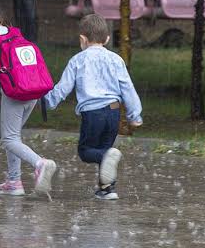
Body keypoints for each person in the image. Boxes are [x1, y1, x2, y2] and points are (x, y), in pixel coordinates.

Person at [42, 13, 143, 200]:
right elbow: (128, 88)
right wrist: (134, 115)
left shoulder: (78, 60)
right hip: (113, 111)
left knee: (87, 151)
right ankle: (107, 190)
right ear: (107, 39)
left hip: (92, 113)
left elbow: (63, 88)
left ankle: (107, 164)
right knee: (105, 150)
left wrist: (47, 102)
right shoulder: (116, 59)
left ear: (82, 39)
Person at [0, 0, 57, 197]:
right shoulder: (15, 33)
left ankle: (40, 163)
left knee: (9, 139)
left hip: (13, 93)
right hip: (32, 91)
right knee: (14, 137)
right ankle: (14, 181)